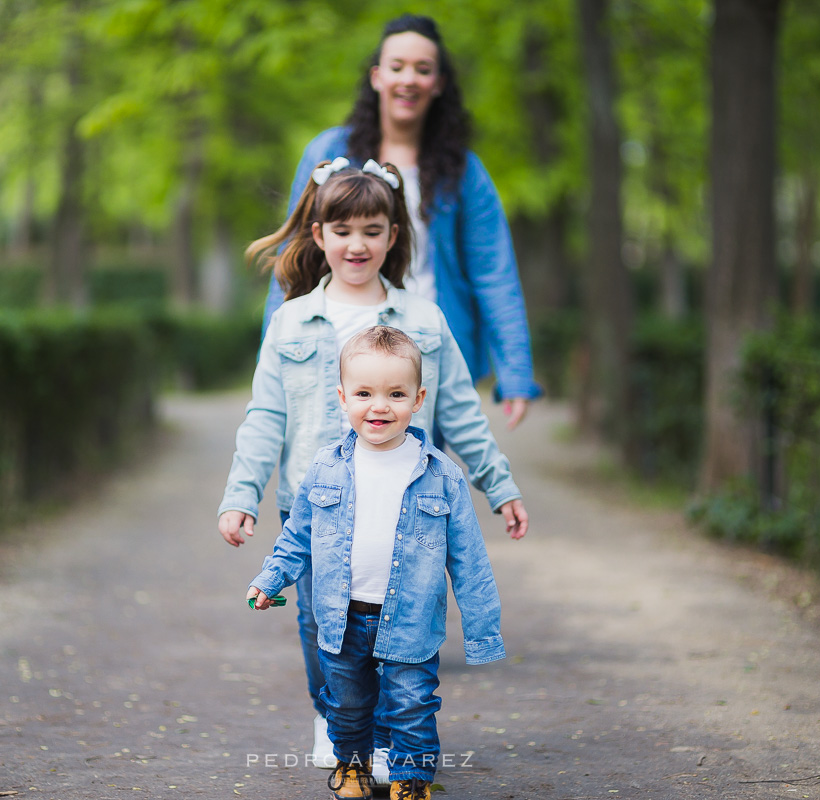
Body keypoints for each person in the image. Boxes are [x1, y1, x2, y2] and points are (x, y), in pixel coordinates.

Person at [218, 159, 526, 784]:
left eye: (372, 229)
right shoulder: (291, 321)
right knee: (320, 627)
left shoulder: (425, 321)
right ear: (318, 235)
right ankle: (335, 716)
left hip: (409, 509)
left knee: (402, 624)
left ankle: (388, 740)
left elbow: (462, 411)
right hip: (315, 504)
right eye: (342, 229)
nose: (357, 244)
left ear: (393, 236)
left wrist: (500, 485)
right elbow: (264, 415)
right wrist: (242, 494)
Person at [247, 326, 506, 800]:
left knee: (412, 705)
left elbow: (470, 560)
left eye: (396, 393)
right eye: (364, 393)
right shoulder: (326, 467)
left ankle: (411, 781)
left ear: (418, 398)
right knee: (345, 706)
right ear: (343, 398)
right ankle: (353, 767)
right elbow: (298, 535)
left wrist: (482, 631)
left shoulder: (441, 476)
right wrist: (271, 578)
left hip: (411, 618)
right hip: (341, 616)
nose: (379, 406)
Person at [264, 13, 542, 433]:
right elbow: (295, 257)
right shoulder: (328, 152)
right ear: (377, 76)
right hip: (336, 346)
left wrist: (516, 373)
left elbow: (494, 272)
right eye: (397, 67)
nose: (408, 79)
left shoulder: (464, 171)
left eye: (423, 69)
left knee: (417, 482)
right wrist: (271, 360)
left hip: (426, 351)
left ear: (439, 83)